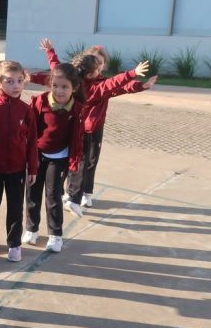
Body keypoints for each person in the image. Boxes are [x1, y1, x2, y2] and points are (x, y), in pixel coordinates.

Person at [32, 39, 156, 217]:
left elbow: (54, 69)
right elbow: (114, 84)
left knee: (73, 163)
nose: (99, 68)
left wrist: (45, 57)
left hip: (71, 128)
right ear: (90, 72)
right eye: (96, 65)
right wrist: (133, 73)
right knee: (80, 164)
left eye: (100, 63)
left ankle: (71, 195)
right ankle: (73, 198)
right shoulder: (96, 87)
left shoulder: (71, 80)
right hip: (82, 129)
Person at [0, 60, 38, 262]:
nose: (16, 86)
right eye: (10, 81)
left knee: (15, 207)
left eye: (20, 81)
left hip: (17, 169)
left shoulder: (26, 110)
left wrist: (32, 168)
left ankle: (14, 244)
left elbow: (32, 142)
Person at [23, 63, 85, 252]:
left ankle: (55, 235)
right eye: (55, 86)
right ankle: (31, 229)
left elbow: (76, 137)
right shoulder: (40, 101)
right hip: (37, 155)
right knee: (32, 194)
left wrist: (74, 160)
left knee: (53, 196)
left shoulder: (76, 109)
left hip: (59, 158)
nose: (59, 91)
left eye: (65, 87)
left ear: (74, 88)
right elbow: (30, 130)